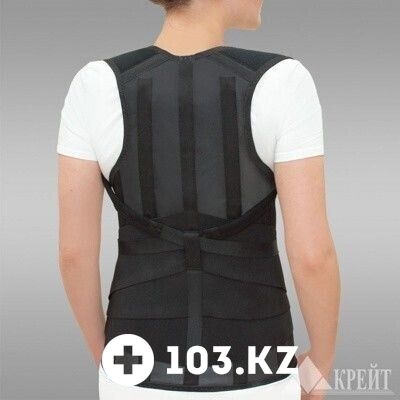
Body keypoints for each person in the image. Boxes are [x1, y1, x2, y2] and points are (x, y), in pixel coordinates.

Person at [57, 0, 340, 399]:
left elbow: (74, 255)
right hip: (258, 370)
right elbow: (313, 257)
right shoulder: (284, 82)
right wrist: (320, 366)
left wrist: (107, 360)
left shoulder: (94, 85)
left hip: (136, 367)